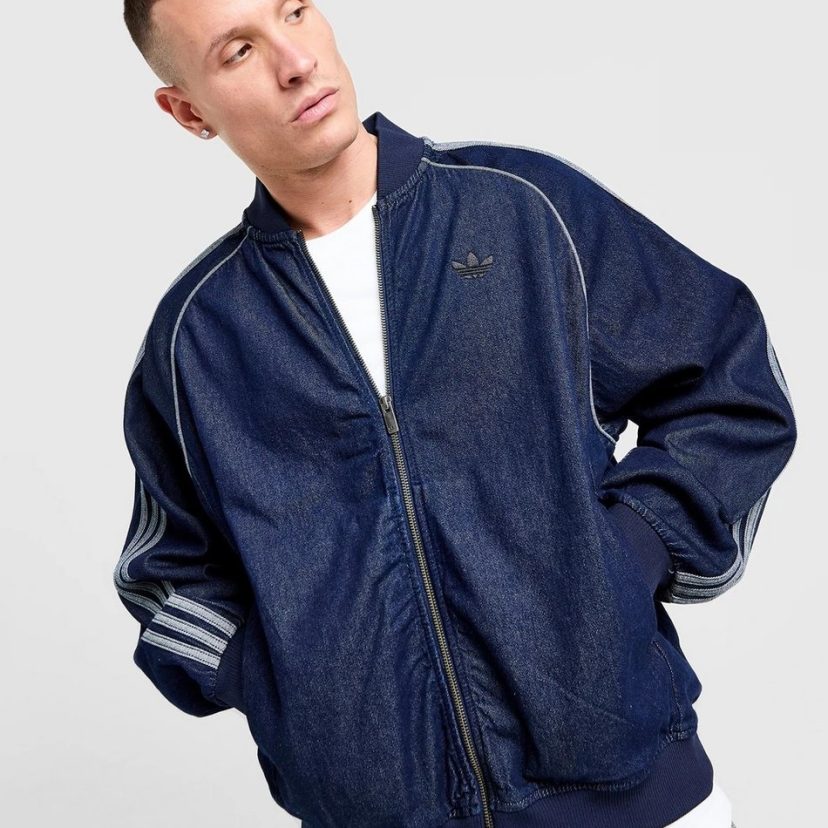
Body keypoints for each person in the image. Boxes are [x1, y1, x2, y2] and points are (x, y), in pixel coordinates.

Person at [115, 2, 794, 826]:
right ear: (188, 111)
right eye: (239, 52)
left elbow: (729, 385)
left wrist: (621, 558)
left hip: (638, 800)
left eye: (294, 10)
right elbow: (165, 574)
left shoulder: (522, 209)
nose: (295, 62)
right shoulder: (199, 336)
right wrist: (284, 679)